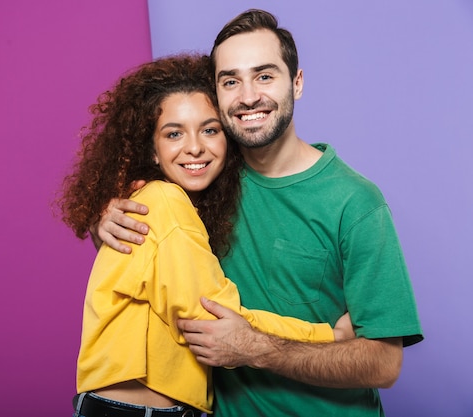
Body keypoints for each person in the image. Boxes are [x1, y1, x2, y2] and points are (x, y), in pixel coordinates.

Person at [92, 9, 424, 417]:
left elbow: (385, 364)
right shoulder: (203, 178)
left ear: (297, 83)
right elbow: (152, 243)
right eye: (231, 81)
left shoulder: (356, 203)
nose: (248, 96)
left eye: (265, 76)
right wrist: (107, 217)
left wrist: (256, 348)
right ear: (217, 93)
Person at [58, 54, 354, 416]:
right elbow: (214, 320)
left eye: (210, 129)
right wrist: (330, 338)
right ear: (152, 150)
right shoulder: (163, 203)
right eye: (174, 133)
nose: (195, 147)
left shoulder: (158, 205)